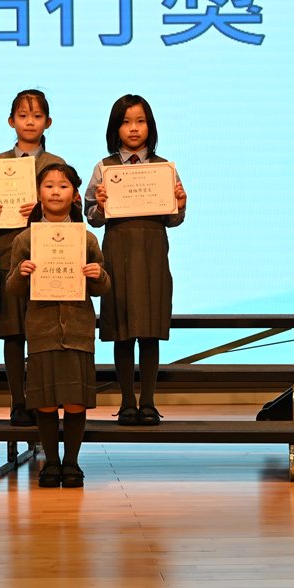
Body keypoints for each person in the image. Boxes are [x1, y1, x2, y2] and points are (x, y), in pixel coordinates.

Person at [84, 94, 187, 428]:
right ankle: (127, 402)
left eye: (140, 121)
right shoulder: (104, 167)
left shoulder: (164, 168)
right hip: (117, 251)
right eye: (126, 122)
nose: (133, 128)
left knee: (150, 329)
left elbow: (173, 219)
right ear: (115, 128)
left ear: (150, 126)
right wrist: (100, 204)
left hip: (153, 251)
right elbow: (91, 216)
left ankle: (149, 403)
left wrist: (180, 204)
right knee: (122, 329)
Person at [7, 162, 108, 488]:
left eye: (63, 186)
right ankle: (51, 463)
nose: (55, 192)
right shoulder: (25, 239)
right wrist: (21, 273)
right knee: (46, 403)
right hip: (42, 331)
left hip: (77, 331)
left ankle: (72, 463)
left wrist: (98, 275)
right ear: (39, 193)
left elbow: (104, 285)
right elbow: (12, 288)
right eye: (48, 186)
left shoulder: (87, 239)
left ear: (75, 195)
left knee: (76, 402)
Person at [0, 89, 67, 425]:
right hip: (9, 252)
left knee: (44, 331)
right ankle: (18, 400)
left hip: (50, 256)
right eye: (23, 116)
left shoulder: (56, 164)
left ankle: (44, 398)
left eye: (37, 116)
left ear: (48, 122)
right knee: (12, 330)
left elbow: (73, 210)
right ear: (11, 121)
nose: (30, 122)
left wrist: (46, 205)